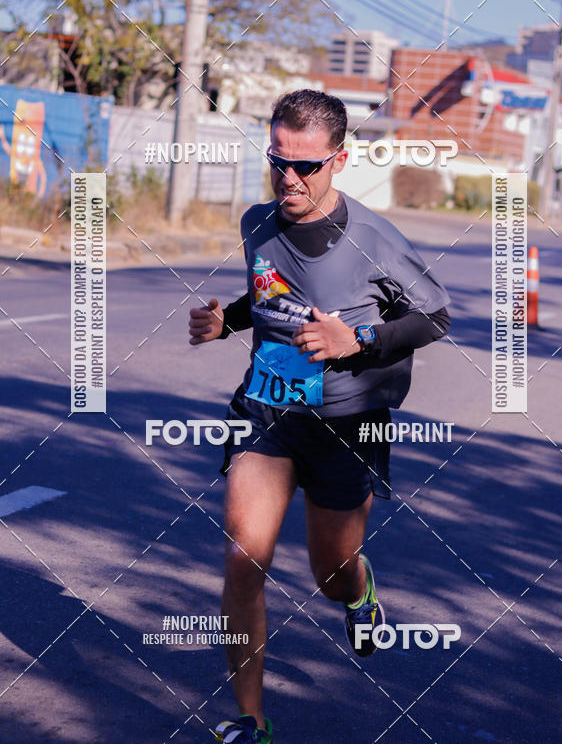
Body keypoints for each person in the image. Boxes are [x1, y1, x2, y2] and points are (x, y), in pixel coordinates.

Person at [188, 89, 450, 743]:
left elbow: (435, 316)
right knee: (243, 558)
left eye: (306, 165)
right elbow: (270, 293)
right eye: (279, 160)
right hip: (267, 412)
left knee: (330, 571)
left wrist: (355, 343)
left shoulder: (372, 239)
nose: (289, 177)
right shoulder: (256, 223)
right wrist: (228, 322)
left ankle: (359, 593)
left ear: (339, 161)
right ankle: (251, 722)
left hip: (347, 425)